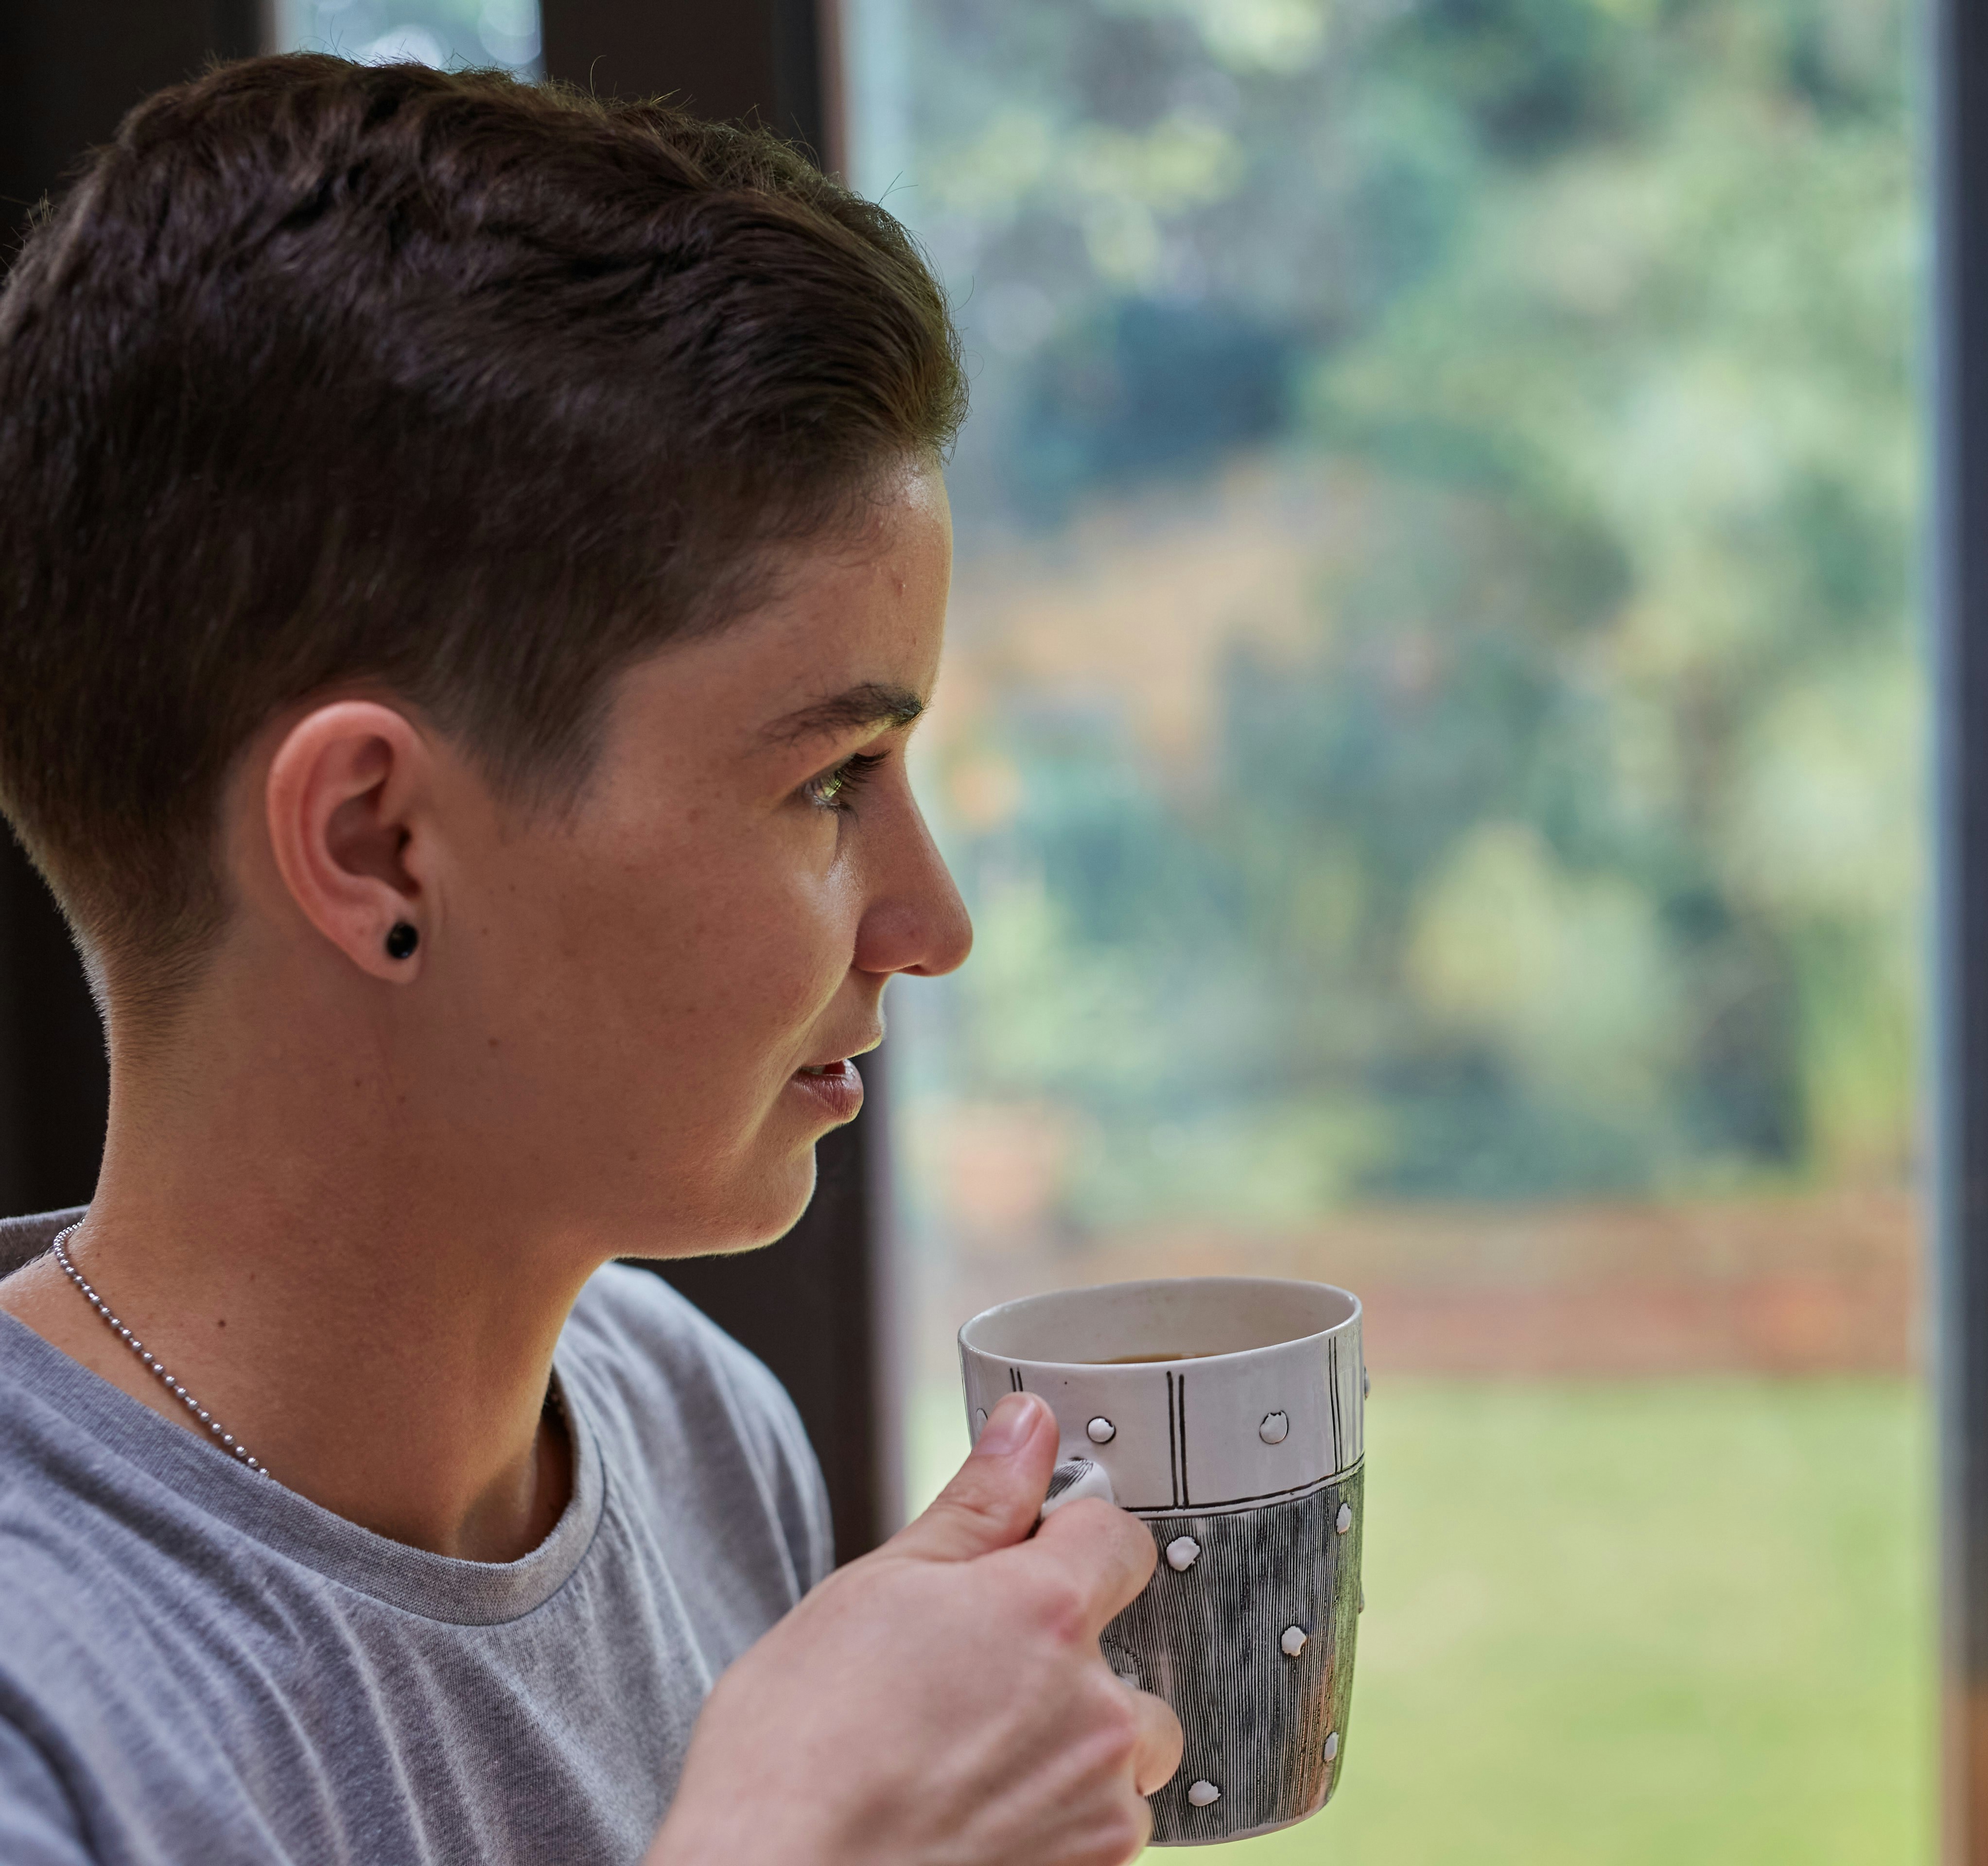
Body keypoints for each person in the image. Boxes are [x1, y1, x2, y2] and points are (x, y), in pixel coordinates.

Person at [0, 52, 1179, 1866]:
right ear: (374, 844)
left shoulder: (687, 1423)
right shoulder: (45, 1705)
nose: (932, 925)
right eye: (829, 780)